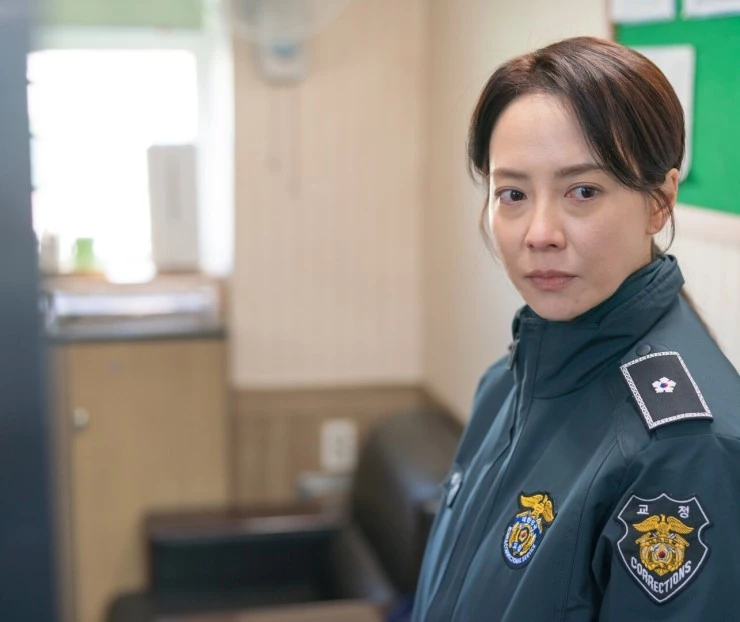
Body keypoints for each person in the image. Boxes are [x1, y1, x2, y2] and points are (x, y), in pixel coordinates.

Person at [411, 36, 740, 621]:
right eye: (512, 193)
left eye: (582, 191)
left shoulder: (683, 450)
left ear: (659, 203)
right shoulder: (508, 382)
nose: (540, 233)